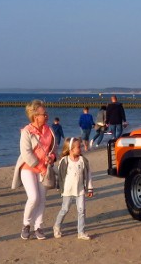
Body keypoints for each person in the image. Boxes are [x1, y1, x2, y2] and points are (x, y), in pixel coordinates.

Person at [12, 100, 56, 240]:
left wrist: (52, 157)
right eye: (44, 114)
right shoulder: (27, 131)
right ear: (35, 116)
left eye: (46, 113)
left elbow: (53, 148)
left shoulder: (49, 130)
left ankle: (39, 227)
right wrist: (41, 167)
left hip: (44, 168)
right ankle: (26, 224)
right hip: (28, 168)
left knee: (42, 198)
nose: (47, 116)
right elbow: (26, 153)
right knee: (34, 197)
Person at [53, 137, 94, 240]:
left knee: (81, 211)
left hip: (80, 190)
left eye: (80, 146)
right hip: (67, 191)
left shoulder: (83, 160)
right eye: (78, 147)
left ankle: (81, 232)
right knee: (65, 209)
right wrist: (59, 188)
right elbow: (60, 175)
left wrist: (90, 188)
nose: (80, 148)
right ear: (70, 149)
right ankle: (57, 226)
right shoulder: (65, 161)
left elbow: (88, 175)